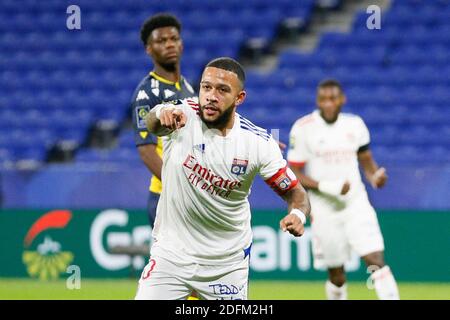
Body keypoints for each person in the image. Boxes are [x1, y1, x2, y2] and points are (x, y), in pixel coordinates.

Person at [135, 57, 311, 300]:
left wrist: (297, 214)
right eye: (206, 87)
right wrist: (161, 112)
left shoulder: (258, 144)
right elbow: (152, 122)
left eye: (222, 90)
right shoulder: (181, 114)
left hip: (225, 266)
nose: (211, 96)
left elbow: (296, 194)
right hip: (171, 256)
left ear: (240, 98)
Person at [287, 79, 400, 300]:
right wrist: (327, 187)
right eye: (323, 99)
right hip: (323, 209)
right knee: (337, 275)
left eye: (332, 98)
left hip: (355, 204)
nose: (328, 104)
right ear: (317, 101)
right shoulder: (303, 128)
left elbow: (367, 161)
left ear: (342, 99)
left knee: (376, 261)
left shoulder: (355, 125)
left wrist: (375, 177)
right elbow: (295, 173)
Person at [131, 13, 197, 227]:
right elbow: (146, 150)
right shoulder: (146, 93)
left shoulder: (188, 87)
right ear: (149, 49)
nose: (170, 44)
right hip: (166, 196)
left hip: (191, 193)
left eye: (174, 39)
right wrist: (177, 186)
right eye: (161, 41)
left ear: (182, 44)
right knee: (173, 261)